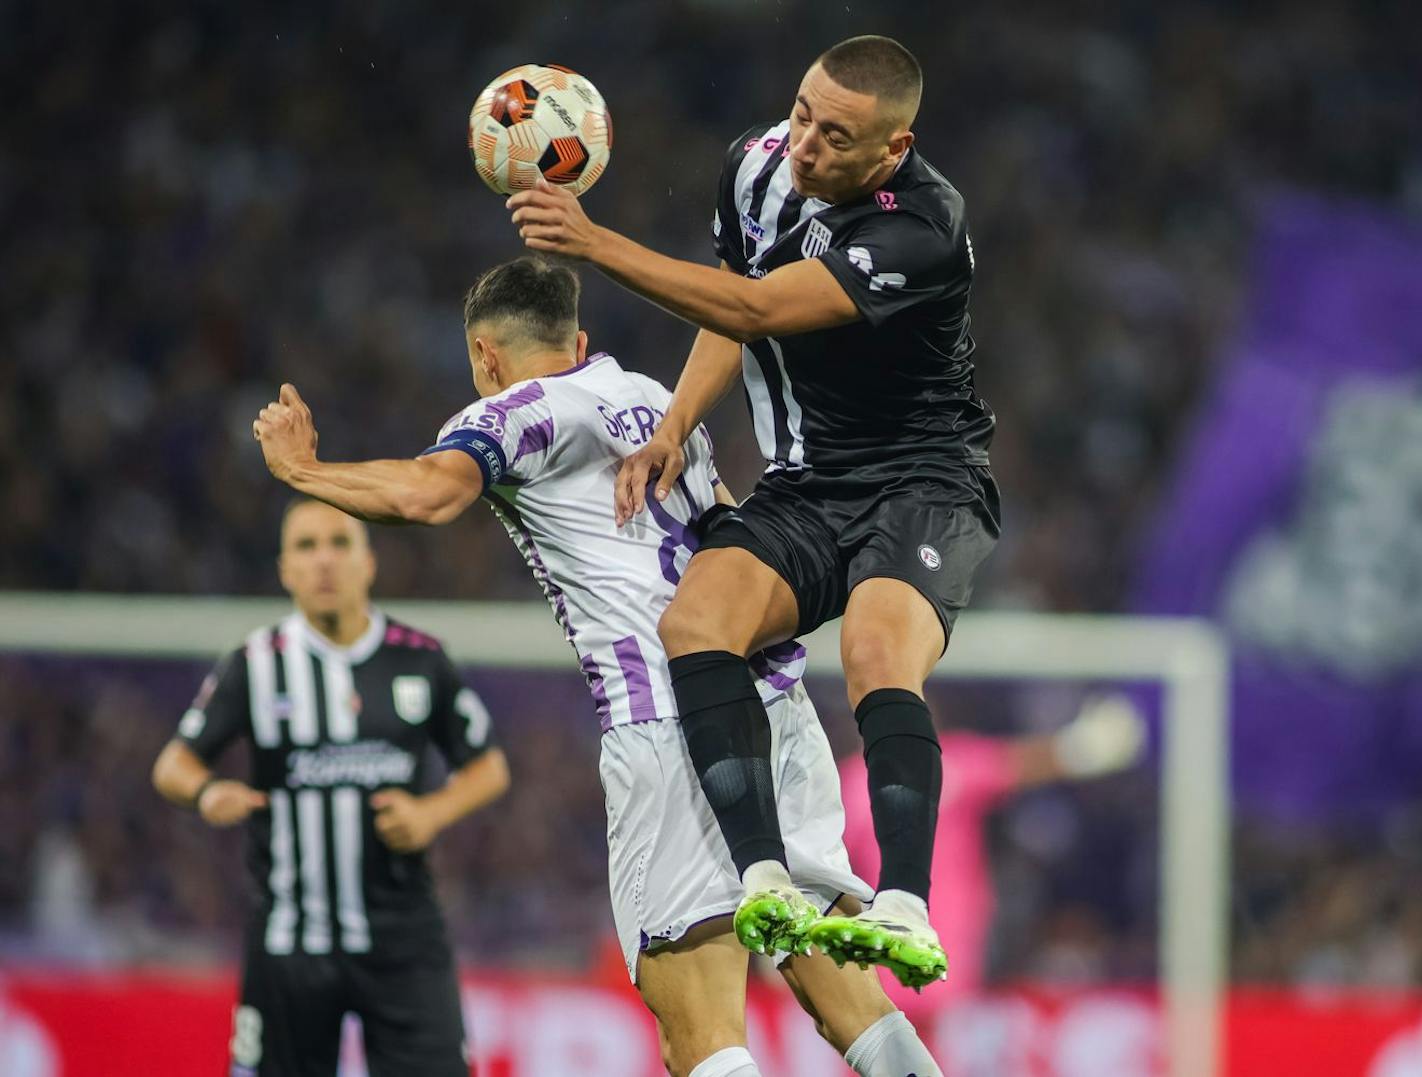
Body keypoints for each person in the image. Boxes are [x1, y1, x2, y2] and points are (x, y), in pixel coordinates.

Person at [249, 256, 941, 1077]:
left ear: (485, 355)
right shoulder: (656, 398)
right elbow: (729, 528)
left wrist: (303, 472)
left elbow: (426, 496)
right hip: (772, 705)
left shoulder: (507, 413)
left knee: (699, 1027)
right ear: (579, 340)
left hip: (666, 722)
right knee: (847, 999)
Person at [506, 34, 998, 989]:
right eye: (802, 113)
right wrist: (675, 424)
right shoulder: (757, 164)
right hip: (810, 480)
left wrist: (593, 242)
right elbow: (729, 314)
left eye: (835, 136)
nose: (804, 145)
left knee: (875, 651)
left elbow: (762, 307)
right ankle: (764, 875)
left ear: (891, 151)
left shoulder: (923, 230)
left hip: (925, 482)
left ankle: (904, 902)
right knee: (697, 621)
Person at [151, 498, 511, 1077]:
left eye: (340, 544)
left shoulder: (419, 660)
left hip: (404, 940)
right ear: (285, 570)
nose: (324, 561)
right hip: (291, 942)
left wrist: (431, 814)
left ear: (368, 563)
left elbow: (489, 766)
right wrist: (206, 793)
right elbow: (173, 764)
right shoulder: (256, 666)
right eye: (306, 547)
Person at [840, 694, 1147, 1021]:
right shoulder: (859, 779)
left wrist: (1079, 750)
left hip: (948, 943)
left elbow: (1016, 765)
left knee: (933, 1047)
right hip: (886, 939)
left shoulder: (947, 764)